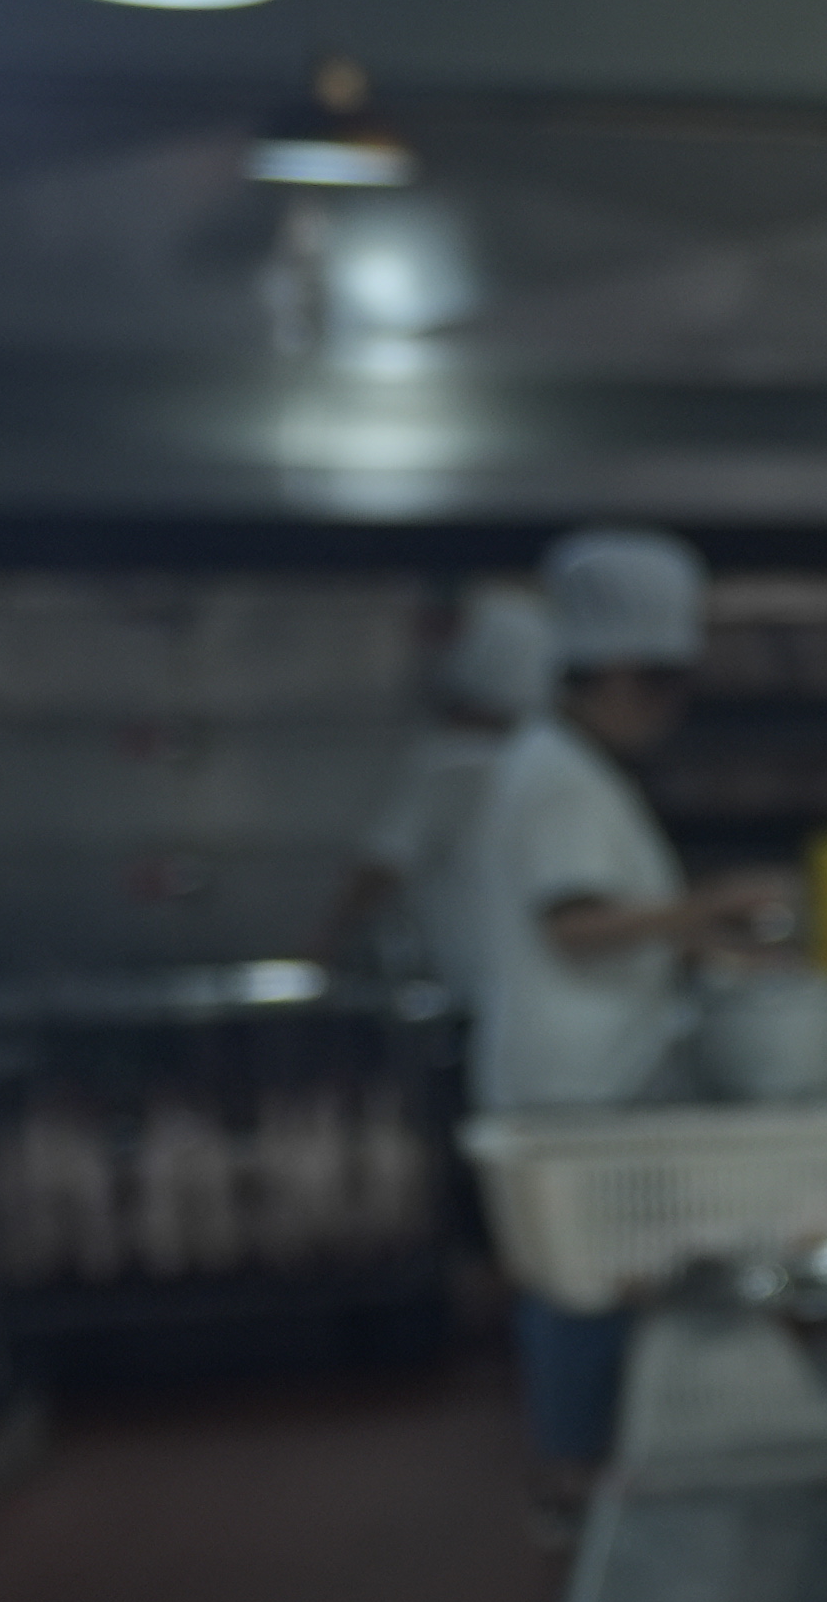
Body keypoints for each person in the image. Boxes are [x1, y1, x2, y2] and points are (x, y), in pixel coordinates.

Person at [470, 527, 775, 1483]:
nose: (668, 713)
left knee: (589, 1279)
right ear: (617, 678)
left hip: (586, 1067)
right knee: (579, 1284)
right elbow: (575, 924)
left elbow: (606, 916)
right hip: (573, 1079)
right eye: (663, 689)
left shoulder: (563, 767)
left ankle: (581, 1468)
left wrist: (707, 942)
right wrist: (711, 908)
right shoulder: (558, 777)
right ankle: (571, 1479)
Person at [332, 577, 554, 999]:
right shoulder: (542, 762)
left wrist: (320, 946)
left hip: (463, 977)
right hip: (521, 980)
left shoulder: (450, 761)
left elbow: (380, 867)